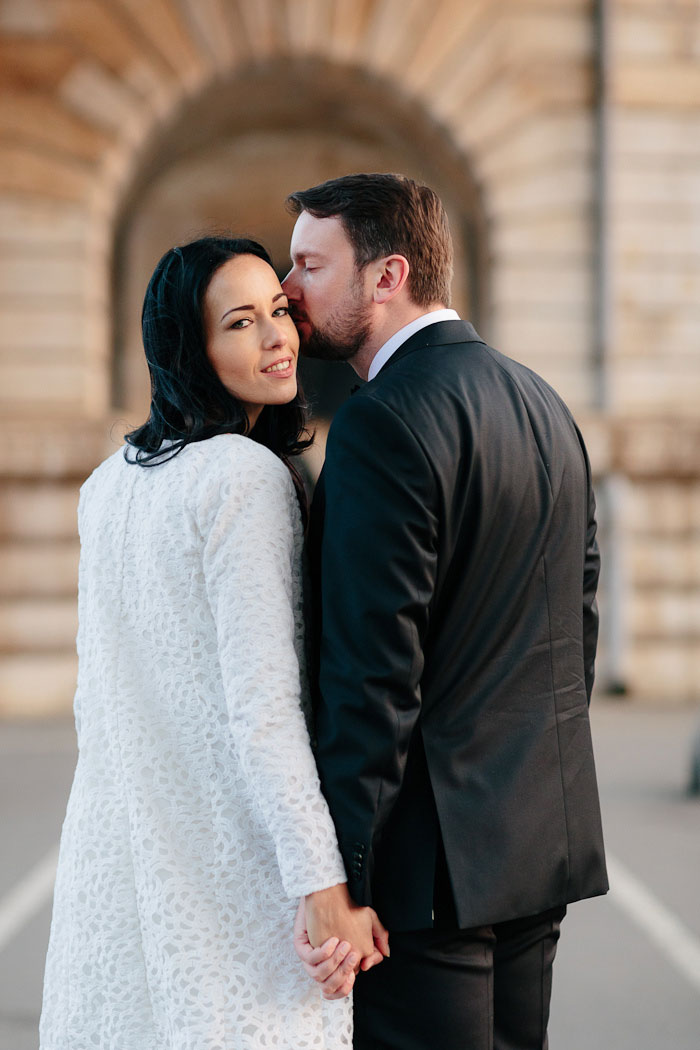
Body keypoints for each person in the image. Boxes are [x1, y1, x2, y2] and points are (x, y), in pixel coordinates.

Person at [284, 174, 608, 1050]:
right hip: (538, 842)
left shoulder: (382, 420)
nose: (288, 290)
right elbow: (573, 629)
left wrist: (341, 876)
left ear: (387, 276)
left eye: (310, 265)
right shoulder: (543, 403)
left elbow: (372, 675)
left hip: (428, 871)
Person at [40, 236, 388, 1050]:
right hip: (228, 874)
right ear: (188, 348)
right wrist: (321, 886)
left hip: (115, 867)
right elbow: (263, 711)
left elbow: (95, 705)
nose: (276, 337)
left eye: (278, 311)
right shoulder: (243, 476)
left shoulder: (109, 482)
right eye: (239, 322)